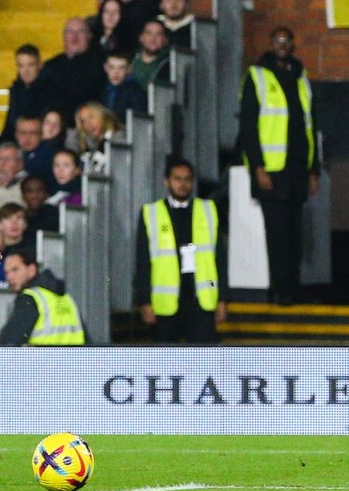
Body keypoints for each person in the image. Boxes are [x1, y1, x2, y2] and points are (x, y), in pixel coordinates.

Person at [239, 26, 319, 306]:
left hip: (298, 169)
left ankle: (293, 290)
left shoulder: (301, 76)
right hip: (272, 171)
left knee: (295, 236)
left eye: (287, 40)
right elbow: (248, 127)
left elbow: (311, 125)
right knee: (278, 236)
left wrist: (314, 170)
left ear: (294, 43)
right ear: (271, 44)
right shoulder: (257, 76)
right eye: (277, 41)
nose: (283, 45)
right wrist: (258, 168)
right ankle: (280, 291)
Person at [134, 159, 227, 343]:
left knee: (204, 362)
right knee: (166, 364)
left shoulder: (208, 210)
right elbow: (143, 261)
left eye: (187, 179)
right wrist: (144, 301)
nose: (183, 184)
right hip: (166, 303)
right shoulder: (151, 213)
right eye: (177, 179)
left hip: (202, 299)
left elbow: (220, 258)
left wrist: (223, 298)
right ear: (166, 181)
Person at [0, 249, 84, 346]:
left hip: (41, 360)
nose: (9, 277)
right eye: (7, 273)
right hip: (74, 360)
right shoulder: (66, 298)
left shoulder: (29, 299)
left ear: (31, 270)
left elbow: (7, 342)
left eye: (15, 270)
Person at [42, 17, 106, 131]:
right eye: (69, 32)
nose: (74, 36)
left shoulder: (101, 64)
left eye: (80, 32)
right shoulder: (51, 66)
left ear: (89, 36)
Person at [102, 51, 147, 120]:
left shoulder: (136, 93)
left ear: (129, 69)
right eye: (111, 67)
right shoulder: (103, 88)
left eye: (121, 68)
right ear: (105, 68)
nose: (116, 72)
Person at [130, 19, 171, 90]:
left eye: (158, 34)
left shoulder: (169, 64)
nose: (153, 38)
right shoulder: (131, 59)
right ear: (141, 38)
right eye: (149, 33)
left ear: (165, 40)